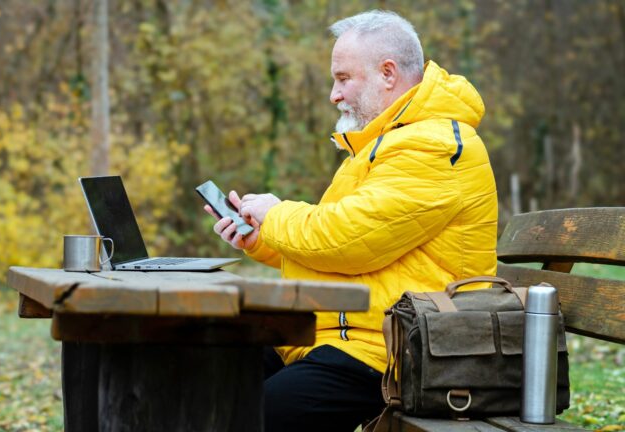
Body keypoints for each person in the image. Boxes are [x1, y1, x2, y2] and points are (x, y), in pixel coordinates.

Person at [204, 10, 497, 432]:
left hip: (399, 354)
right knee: (206, 374)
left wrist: (277, 213)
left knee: (248, 413)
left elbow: (345, 239)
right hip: (345, 336)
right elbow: (347, 247)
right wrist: (260, 237)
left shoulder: (434, 148)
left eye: (343, 78)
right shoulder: (385, 145)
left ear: (388, 73)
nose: (333, 95)